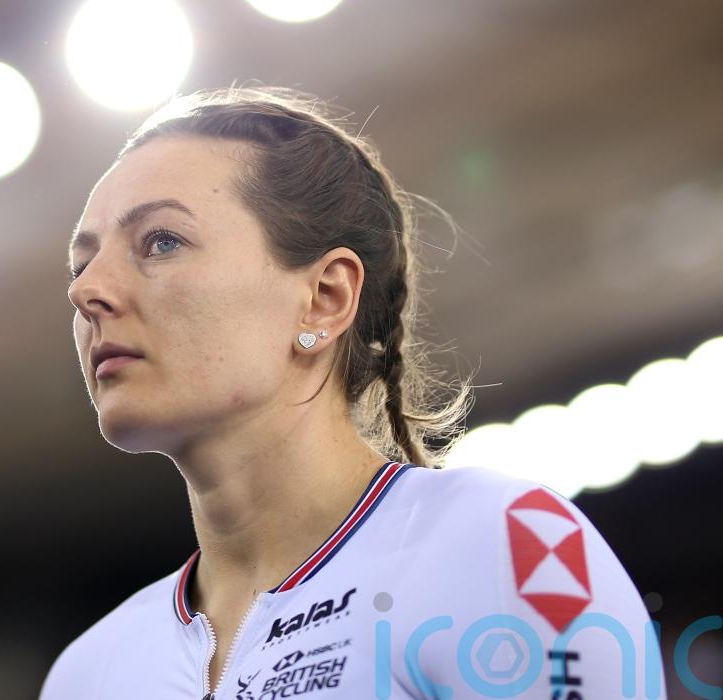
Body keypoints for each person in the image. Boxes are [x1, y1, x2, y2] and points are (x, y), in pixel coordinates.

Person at [41, 86, 665, 699]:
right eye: (81, 263)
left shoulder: (497, 546)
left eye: (161, 241)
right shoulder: (87, 674)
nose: (85, 291)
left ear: (325, 298)